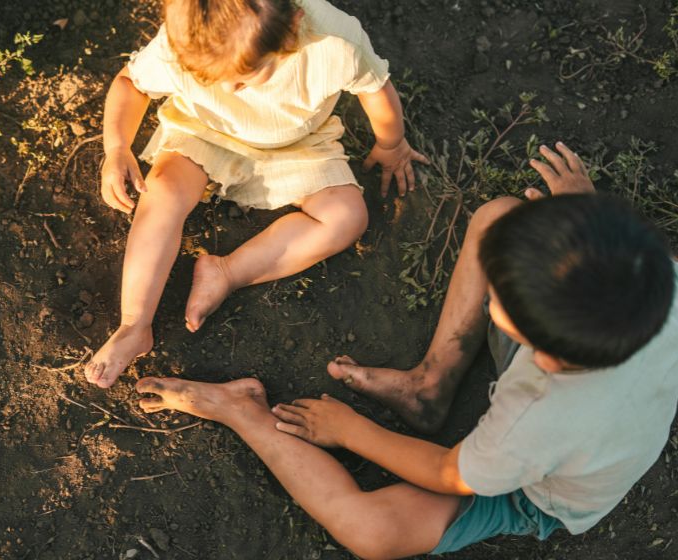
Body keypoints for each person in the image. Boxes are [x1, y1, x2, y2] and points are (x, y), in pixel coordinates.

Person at [134, 143, 678, 558]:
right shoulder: (668, 287)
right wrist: (584, 213)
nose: (493, 286)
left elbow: (450, 472)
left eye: (501, 295)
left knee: (371, 532)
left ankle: (240, 409)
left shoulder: (533, 415)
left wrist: (351, 430)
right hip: (588, 402)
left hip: (536, 491)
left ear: (535, 347)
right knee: (500, 219)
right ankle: (431, 385)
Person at [84, 0, 427, 389]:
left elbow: (375, 88)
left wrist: (391, 144)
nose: (227, 88)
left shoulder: (333, 41)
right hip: (205, 131)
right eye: (209, 79)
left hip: (299, 144)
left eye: (243, 78)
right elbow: (131, 83)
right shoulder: (184, 42)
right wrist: (117, 148)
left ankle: (227, 272)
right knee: (161, 190)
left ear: (293, 28)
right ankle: (134, 324)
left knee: (346, 216)